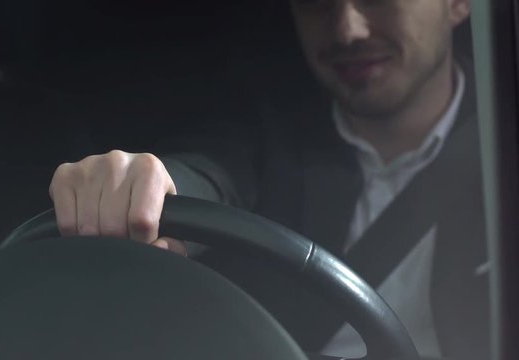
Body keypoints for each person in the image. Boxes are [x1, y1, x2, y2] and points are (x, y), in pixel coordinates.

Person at [48, 0, 488, 359]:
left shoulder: (501, 152)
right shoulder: (270, 135)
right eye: (315, 4)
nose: (347, 30)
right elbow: (210, 173)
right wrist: (142, 190)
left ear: (458, 4)